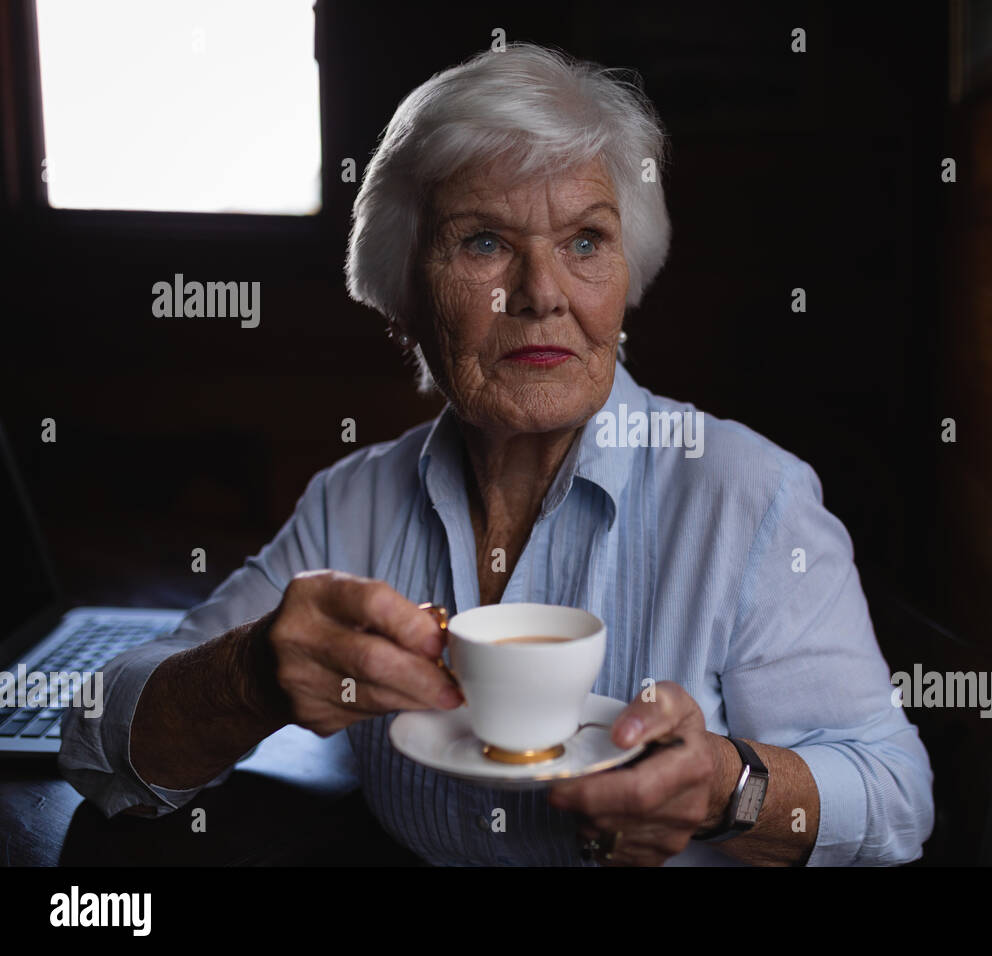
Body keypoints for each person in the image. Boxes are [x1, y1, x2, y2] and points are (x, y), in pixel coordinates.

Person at [59, 42, 933, 866]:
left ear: (631, 273)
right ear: (404, 290)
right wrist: (246, 679)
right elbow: (97, 745)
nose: (543, 294)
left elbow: (897, 795)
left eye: (585, 241)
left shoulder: (750, 494)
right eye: (483, 242)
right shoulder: (352, 503)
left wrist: (726, 786)